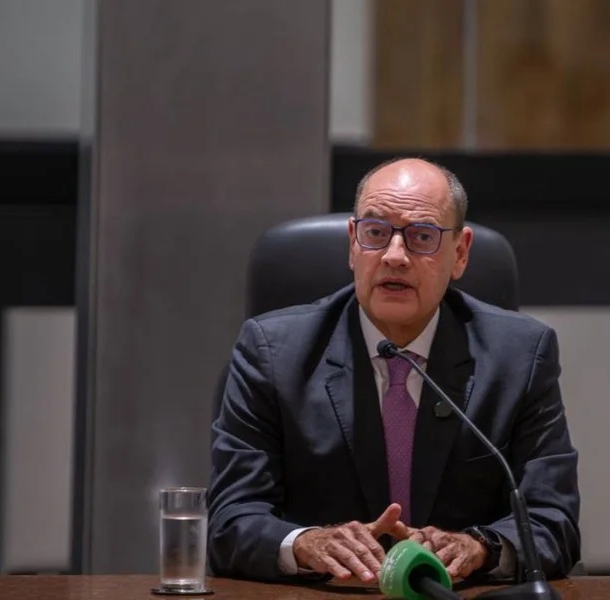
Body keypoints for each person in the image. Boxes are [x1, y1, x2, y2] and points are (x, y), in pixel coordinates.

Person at [207, 157, 580, 583]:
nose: (395, 256)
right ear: (353, 244)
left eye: (422, 236)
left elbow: (553, 521)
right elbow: (230, 521)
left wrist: (480, 548)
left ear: (460, 253)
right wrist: (306, 543)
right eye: (375, 233)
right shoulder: (273, 352)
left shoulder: (520, 355)